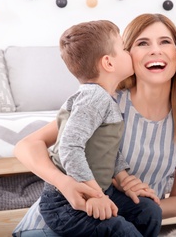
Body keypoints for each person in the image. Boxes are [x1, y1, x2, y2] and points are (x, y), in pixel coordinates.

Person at [12, 13, 176, 237]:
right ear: (126, 55)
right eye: (142, 43)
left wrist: (134, 195)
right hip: (61, 219)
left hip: (113, 219)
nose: (155, 50)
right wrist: (66, 184)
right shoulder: (105, 100)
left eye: (165, 41)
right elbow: (28, 145)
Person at [37, 20, 161, 237]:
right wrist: (96, 195)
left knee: (148, 211)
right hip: (66, 203)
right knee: (120, 230)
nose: (128, 52)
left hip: (102, 189)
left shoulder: (104, 98)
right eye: (123, 48)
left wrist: (123, 178)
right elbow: (69, 147)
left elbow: (106, 149)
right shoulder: (94, 98)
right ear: (108, 63)